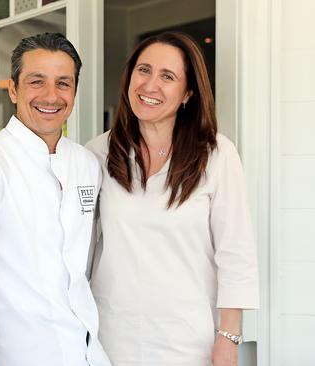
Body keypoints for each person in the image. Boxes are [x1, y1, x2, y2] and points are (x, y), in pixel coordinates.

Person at [0, 32, 111, 366]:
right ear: (13, 89)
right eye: (36, 81)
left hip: (86, 355)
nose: (51, 95)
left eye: (63, 83)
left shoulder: (86, 164)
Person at [86, 32, 259, 366]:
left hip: (188, 341)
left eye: (167, 76)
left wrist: (229, 337)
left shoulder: (217, 155)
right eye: (143, 70)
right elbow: (79, 248)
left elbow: (236, 252)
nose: (150, 85)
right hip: (111, 337)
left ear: (188, 94)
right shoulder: (97, 154)